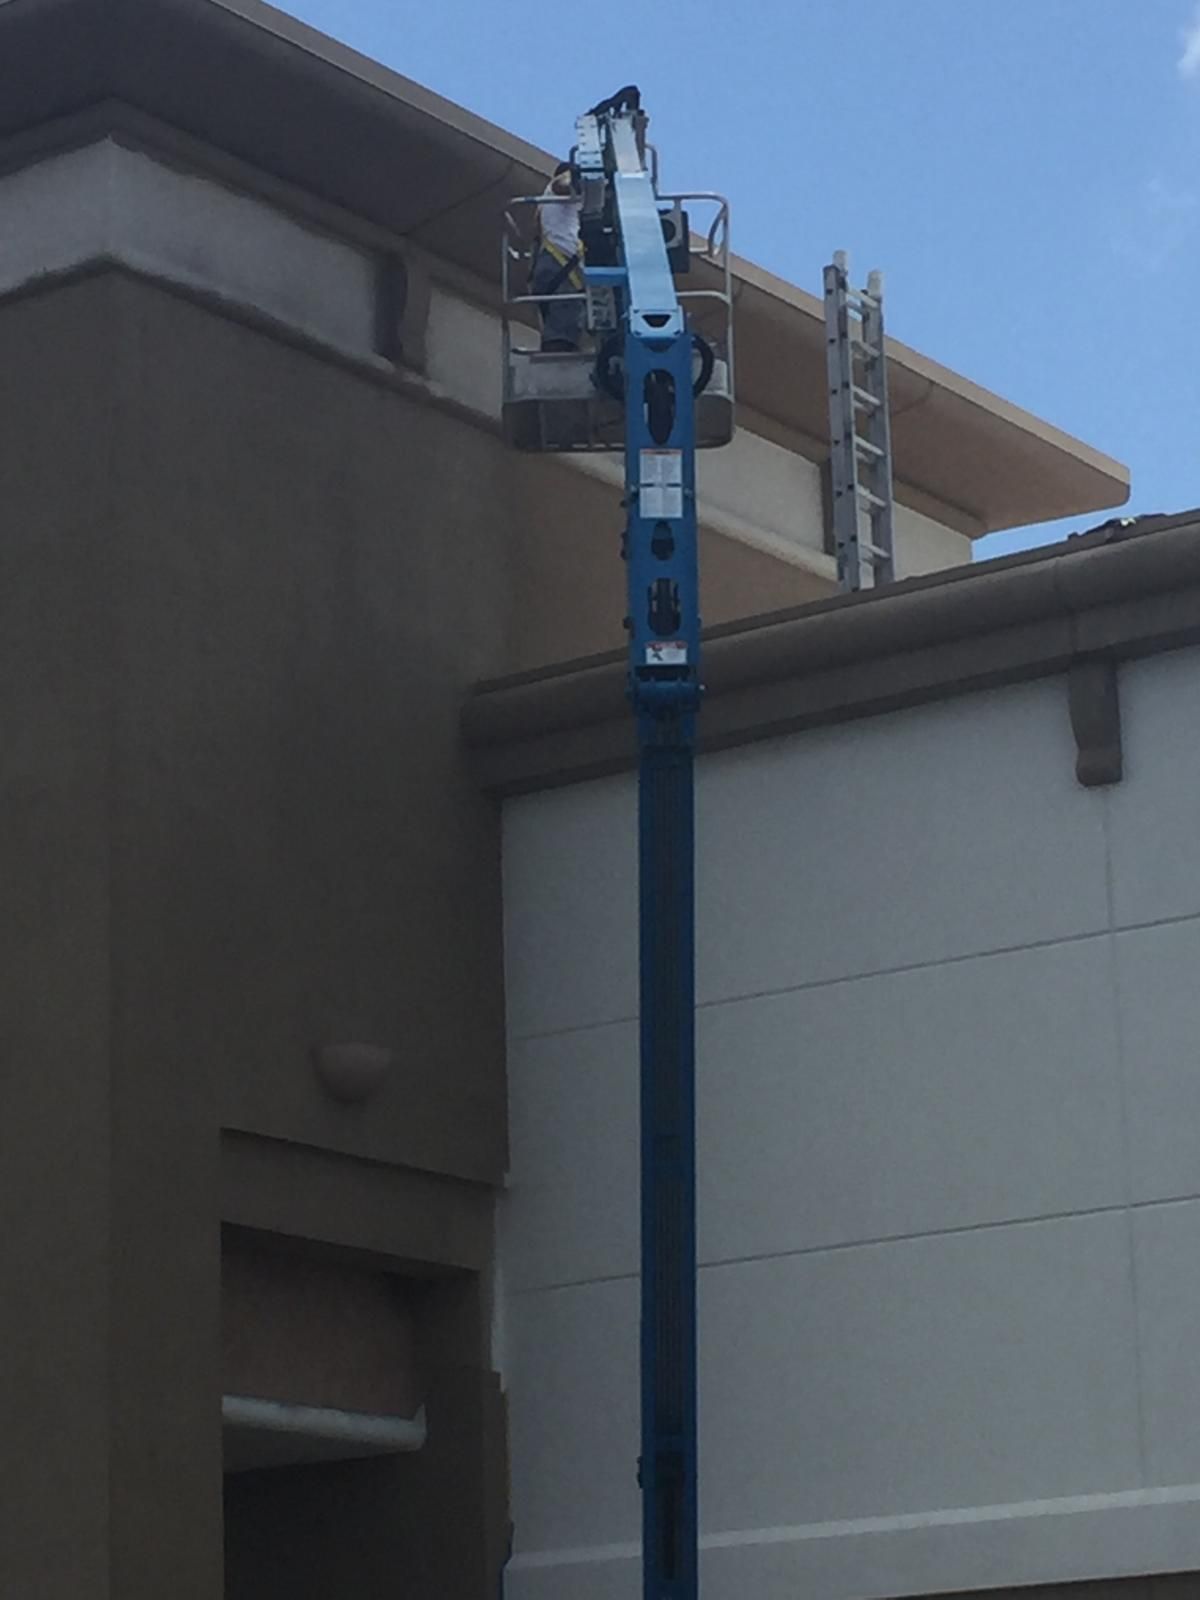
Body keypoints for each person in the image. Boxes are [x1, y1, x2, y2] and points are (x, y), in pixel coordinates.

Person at [531, 161, 585, 352]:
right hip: (560, 265)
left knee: (558, 325)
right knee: (562, 332)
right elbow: (562, 184)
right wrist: (575, 182)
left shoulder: (544, 204)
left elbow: (536, 230)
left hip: (549, 265)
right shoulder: (558, 186)